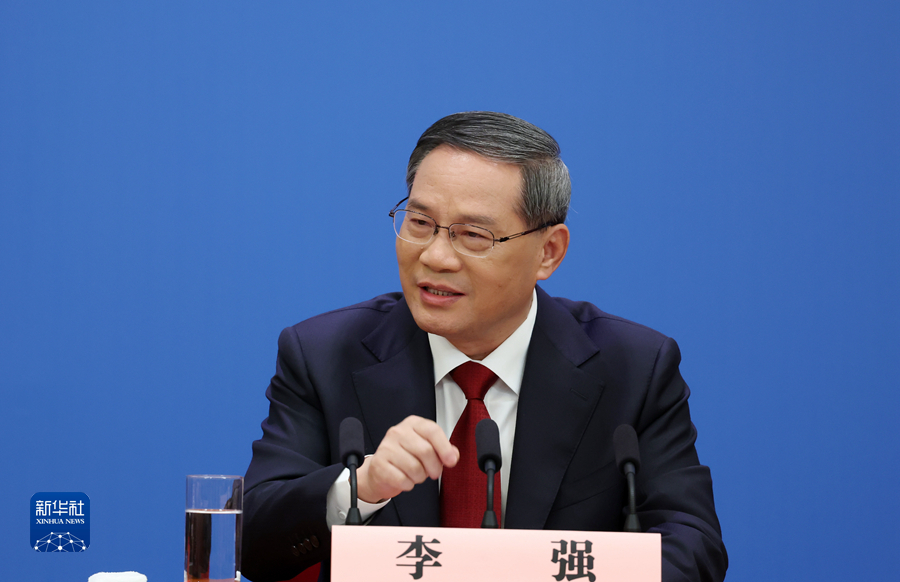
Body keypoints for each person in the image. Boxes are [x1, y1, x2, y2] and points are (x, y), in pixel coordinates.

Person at [242, 111, 727, 582]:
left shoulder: (634, 368)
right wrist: (360, 488)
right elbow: (252, 544)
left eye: (473, 235)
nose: (435, 256)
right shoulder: (324, 355)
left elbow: (693, 545)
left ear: (548, 252)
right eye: (419, 222)